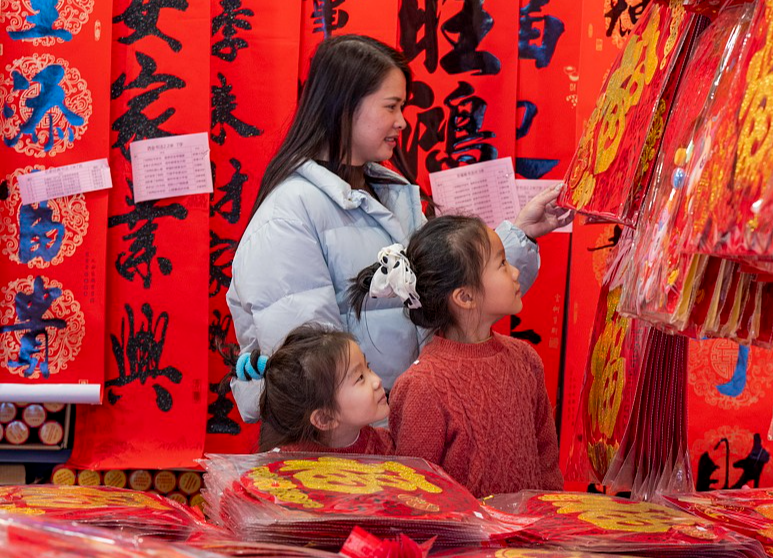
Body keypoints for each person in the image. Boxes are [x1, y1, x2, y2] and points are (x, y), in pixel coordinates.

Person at [227, 34, 567, 423]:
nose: (402, 122)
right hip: (349, 451)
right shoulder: (287, 217)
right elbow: (314, 371)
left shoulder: (391, 195)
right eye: (391, 107)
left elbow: (449, 291)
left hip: (404, 431)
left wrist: (521, 234)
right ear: (344, 107)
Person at [349, 215, 564, 497]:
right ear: (465, 297)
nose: (514, 272)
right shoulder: (422, 385)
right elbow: (416, 496)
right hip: (462, 541)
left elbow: (547, 461)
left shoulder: (525, 359)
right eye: (502, 263)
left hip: (529, 538)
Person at [235, 323, 392, 454]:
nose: (377, 381)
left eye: (368, 367)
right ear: (324, 418)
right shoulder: (284, 469)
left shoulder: (386, 448)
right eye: (360, 378)